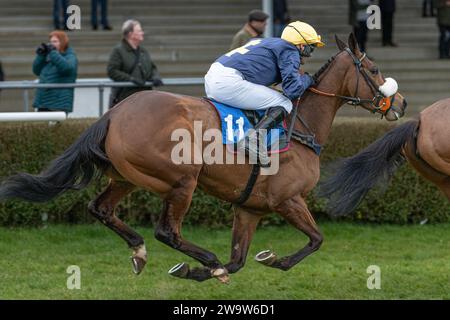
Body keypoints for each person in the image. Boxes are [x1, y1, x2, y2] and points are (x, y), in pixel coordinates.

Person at [205, 21, 323, 163]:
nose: (309, 55)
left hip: (214, 76)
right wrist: (308, 80)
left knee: (269, 96)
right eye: (311, 49)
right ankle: (251, 139)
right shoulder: (290, 49)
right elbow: (292, 90)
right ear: (301, 45)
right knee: (284, 102)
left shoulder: (267, 41)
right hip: (228, 81)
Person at [107, 20, 163, 107]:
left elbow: (152, 68)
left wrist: (155, 77)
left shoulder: (143, 51)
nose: (142, 33)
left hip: (145, 98)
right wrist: (131, 79)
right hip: (126, 99)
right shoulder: (118, 51)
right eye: (139, 31)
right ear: (130, 34)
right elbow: (112, 71)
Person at [32, 31, 78, 113]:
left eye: (55, 41)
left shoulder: (70, 56)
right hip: (43, 102)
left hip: (59, 103)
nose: (52, 44)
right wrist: (41, 56)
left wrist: (53, 53)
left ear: (63, 42)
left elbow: (67, 69)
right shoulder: (49, 56)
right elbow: (36, 71)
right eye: (51, 41)